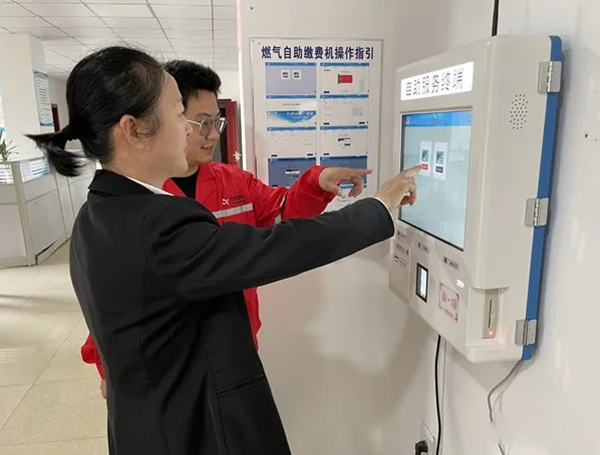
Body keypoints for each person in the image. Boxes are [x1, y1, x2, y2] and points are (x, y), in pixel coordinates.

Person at [27, 46, 419, 455]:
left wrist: (315, 182)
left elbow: (277, 215)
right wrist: (378, 207)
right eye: (180, 114)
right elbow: (274, 248)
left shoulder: (98, 211)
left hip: (150, 415)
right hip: (188, 426)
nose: (193, 131)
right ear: (135, 129)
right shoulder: (158, 222)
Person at [80, 60, 373, 395]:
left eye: (216, 122)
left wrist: (316, 182)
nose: (211, 135)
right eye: (197, 121)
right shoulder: (134, 204)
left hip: (235, 349)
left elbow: (282, 213)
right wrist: (107, 367)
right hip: (174, 367)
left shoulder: (232, 181)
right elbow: (112, 300)